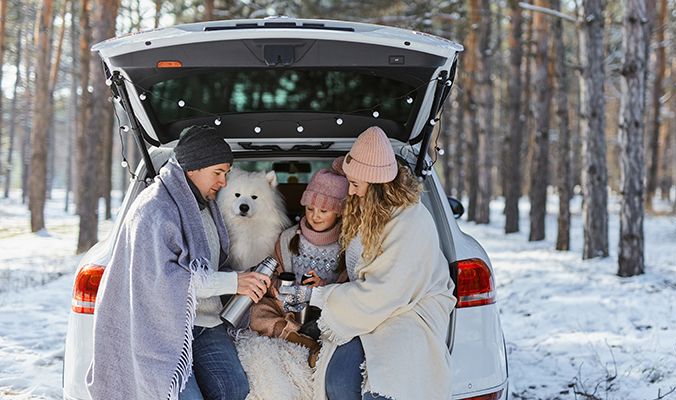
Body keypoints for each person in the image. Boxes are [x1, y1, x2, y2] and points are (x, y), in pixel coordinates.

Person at [87, 125, 272, 400]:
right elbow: (163, 280)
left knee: (234, 389)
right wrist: (234, 282)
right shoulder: (154, 209)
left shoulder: (205, 205)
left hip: (206, 321)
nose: (223, 182)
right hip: (162, 326)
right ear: (194, 167)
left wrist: (242, 278)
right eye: (218, 172)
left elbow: (212, 263)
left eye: (226, 173)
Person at [293, 126, 457, 400]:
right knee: (337, 379)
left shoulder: (410, 221)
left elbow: (386, 290)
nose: (352, 191)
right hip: (374, 307)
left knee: (383, 386)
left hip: (410, 309)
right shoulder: (366, 210)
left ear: (378, 185)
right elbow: (365, 273)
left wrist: (319, 296)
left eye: (356, 184)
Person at [249, 168, 349, 363]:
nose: (315, 216)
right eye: (310, 209)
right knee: (254, 312)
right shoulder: (288, 237)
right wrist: (278, 288)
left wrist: (323, 287)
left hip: (325, 309)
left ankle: (309, 339)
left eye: (324, 211)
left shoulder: (346, 245)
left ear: (338, 213)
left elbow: (349, 289)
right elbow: (273, 276)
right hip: (288, 306)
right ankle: (298, 338)